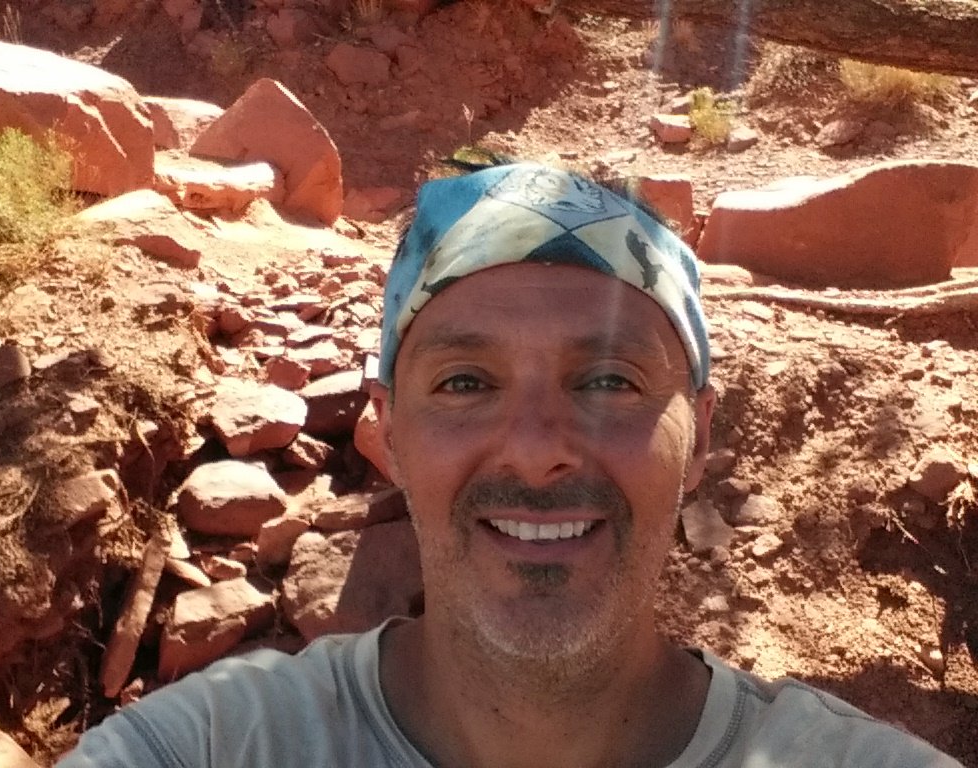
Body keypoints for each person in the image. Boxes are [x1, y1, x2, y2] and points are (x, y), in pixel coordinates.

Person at [59, 163, 962, 768]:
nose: (536, 448)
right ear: (391, 437)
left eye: (609, 379)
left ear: (699, 438)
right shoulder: (212, 748)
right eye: (464, 381)